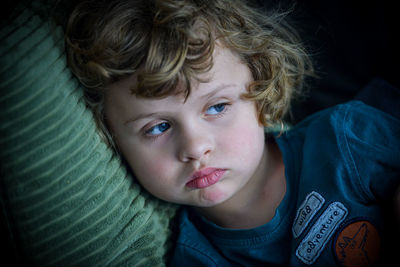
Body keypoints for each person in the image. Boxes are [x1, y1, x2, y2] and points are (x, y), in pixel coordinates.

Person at [65, 0, 400, 265]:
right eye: (159, 127)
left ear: (259, 86)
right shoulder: (196, 257)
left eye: (217, 107)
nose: (195, 148)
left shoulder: (348, 141)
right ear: (113, 141)